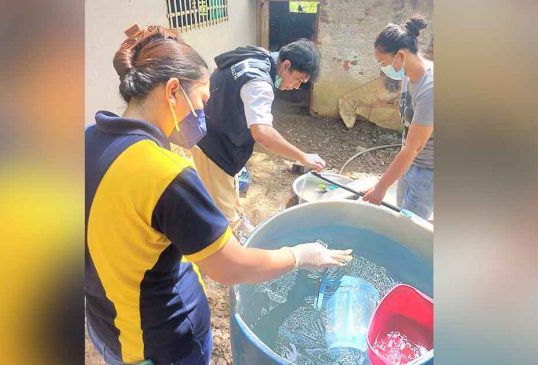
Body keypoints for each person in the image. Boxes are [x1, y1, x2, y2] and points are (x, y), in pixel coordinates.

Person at [85, 25, 352, 365]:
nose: (203, 115)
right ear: (172, 92)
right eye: (201, 100)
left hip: (106, 327)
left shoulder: (88, 139)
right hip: (162, 344)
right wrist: (300, 254)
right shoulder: (168, 175)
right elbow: (230, 268)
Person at [191, 39, 325, 239]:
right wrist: (302, 156)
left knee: (231, 190)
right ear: (286, 65)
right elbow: (262, 134)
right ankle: (236, 247)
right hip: (212, 146)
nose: (296, 87)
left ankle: (240, 223)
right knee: (222, 211)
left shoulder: (259, 57)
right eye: (297, 80)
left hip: (219, 131)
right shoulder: (259, 82)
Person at [363, 15, 434, 220]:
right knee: (399, 216)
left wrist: (380, 187)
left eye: (383, 62)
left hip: (428, 170)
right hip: (410, 162)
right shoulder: (408, 76)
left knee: (409, 229)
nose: (383, 68)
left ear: (400, 55)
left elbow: (414, 147)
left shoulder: (430, 88)